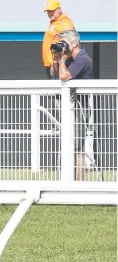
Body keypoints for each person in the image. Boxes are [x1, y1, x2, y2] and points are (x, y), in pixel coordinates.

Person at [50, 30, 94, 181]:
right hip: (70, 107)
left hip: (79, 108)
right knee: (69, 144)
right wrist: (57, 60)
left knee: (78, 147)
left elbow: (64, 76)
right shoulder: (70, 58)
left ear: (74, 43)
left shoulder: (82, 59)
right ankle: (67, 179)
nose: (63, 47)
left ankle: (79, 182)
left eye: (65, 44)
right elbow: (56, 74)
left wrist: (62, 60)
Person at [42, 0, 75, 79]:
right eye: (48, 11)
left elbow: (71, 43)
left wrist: (60, 62)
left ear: (59, 9)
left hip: (58, 66)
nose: (50, 13)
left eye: (52, 11)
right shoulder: (55, 22)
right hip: (53, 65)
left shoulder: (64, 22)